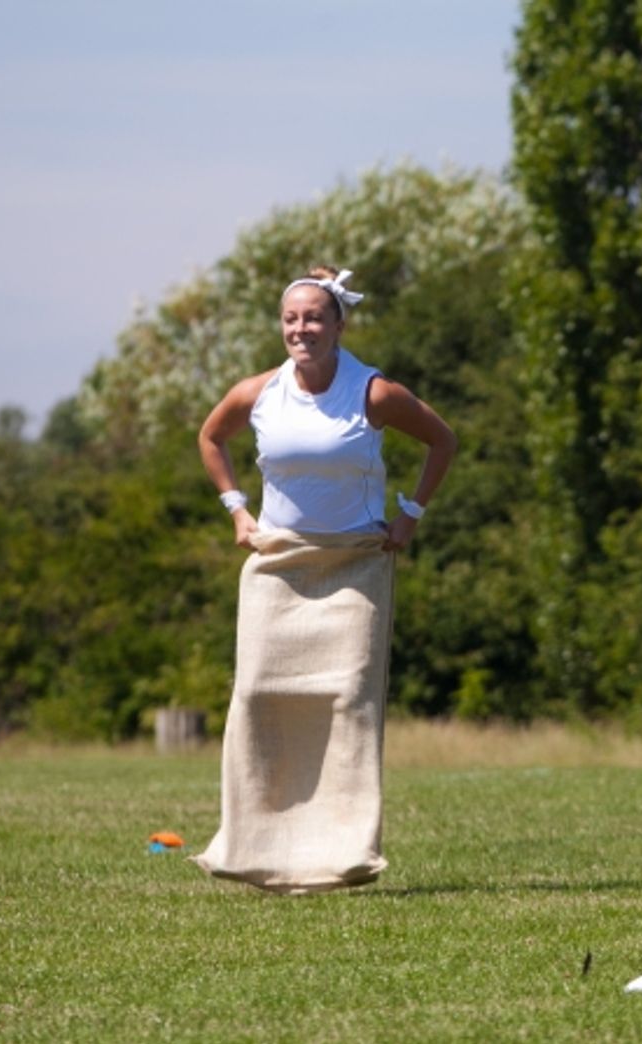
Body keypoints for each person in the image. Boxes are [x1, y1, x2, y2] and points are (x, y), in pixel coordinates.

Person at [194, 266, 457, 894]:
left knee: (348, 704)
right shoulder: (258, 392)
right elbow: (211, 437)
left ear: (339, 325)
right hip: (278, 565)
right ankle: (255, 852)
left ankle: (344, 855)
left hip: (354, 567)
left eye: (314, 317)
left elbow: (442, 441)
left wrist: (410, 516)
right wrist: (237, 511)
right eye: (291, 319)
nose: (301, 329)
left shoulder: (374, 393)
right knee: (256, 695)